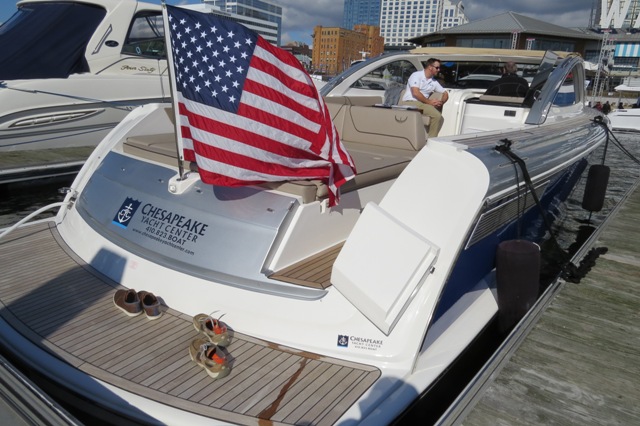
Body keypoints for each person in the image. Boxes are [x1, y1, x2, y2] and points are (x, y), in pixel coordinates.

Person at [399, 58, 449, 138]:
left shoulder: (433, 82)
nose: (438, 70)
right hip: (410, 102)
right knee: (437, 115)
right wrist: (429, 102)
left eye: (439, 68)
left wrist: (441, 102)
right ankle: (431, 141)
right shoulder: (416, 75)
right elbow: (415, 93)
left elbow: (445, 93)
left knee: (440, 118)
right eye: (437, 68)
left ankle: (429, 138)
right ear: (430, 67)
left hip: (422, 104)